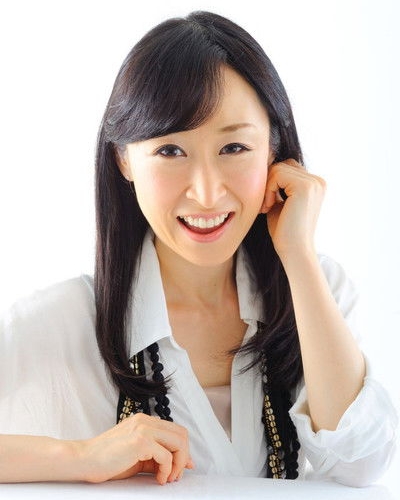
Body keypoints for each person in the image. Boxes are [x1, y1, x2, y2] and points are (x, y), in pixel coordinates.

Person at [0, 11, 397, 487]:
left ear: (274, 150)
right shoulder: (65, 319)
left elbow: (360, 465)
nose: (207, 194)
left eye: (234, 148)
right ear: (124, 159)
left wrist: (299, 256)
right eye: (170, 151)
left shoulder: (316, 288)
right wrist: (80, 457)